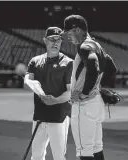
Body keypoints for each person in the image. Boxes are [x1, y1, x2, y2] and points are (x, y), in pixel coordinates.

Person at [61, 15, 117, 160]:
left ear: (77, 30)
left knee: (84, 151)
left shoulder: (84, 46)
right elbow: (112, 68)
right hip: (96, 105)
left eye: (69, 33)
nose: (68, 36)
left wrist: (85, 93)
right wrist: (97, 88)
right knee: (96, 148)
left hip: (84, 106)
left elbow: (93, 66)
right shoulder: (97, 45)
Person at [24, 27, 73, 160]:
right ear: (45, 41)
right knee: (37, 156)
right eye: (52, 39)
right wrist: (28, 82)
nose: (55, 42)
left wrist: (55, 100)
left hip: (59, 117)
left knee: (58, 157)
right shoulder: (35, 61)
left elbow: (71, 92)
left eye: (58, 40)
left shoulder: (68, 63)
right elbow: (28, 81)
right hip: (39, 115)